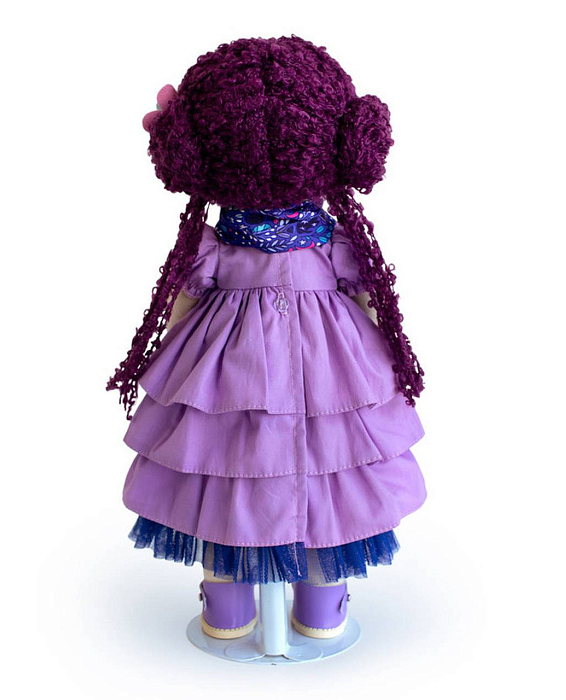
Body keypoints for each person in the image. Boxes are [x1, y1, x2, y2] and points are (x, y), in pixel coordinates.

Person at [107, 35, 427, 641]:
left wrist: (175, 368)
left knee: (224, 474)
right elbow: (368, 303)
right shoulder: (335, 244)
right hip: (331, 374)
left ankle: (229, 605)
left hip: (227, 378)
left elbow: (180, 312)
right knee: (332, 476)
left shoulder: (215, 247)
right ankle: (322, 602)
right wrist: (380, 363)